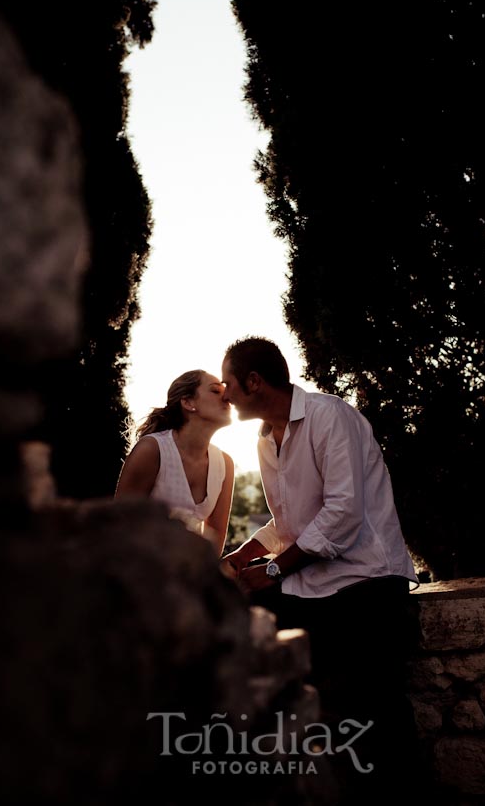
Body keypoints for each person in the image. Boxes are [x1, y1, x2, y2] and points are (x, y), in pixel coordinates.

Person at [219, 337, 422, 802]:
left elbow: (343, 513)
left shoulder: (328, 416)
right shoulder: (265, 440)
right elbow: (288, 522)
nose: (224, 393)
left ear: (254, 382)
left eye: (229, 382)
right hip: (313, 588)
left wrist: (271, 572)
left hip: (367, 584)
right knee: (317, 713)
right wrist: (244, 556)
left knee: (375, 714)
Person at [115, 370, 235, 558]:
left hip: (188, 579)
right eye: (215, 391)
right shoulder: (152, 449)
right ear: (188, 403)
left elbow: (214, 545)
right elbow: (119, 524)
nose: (227, 398)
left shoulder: (224, 464)